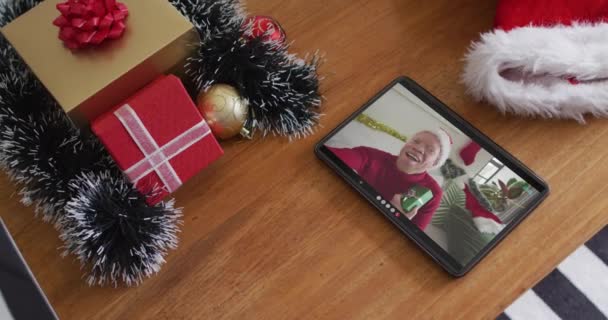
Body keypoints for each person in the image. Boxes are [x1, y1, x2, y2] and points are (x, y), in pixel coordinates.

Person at [327, 130, 451, 231]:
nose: (419, 148)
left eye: (430, 150)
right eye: (416, 141)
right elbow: (330, 155)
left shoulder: (433, 193)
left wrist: (400, 220)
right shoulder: (371, 156)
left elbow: (414, 237)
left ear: (435, 163)